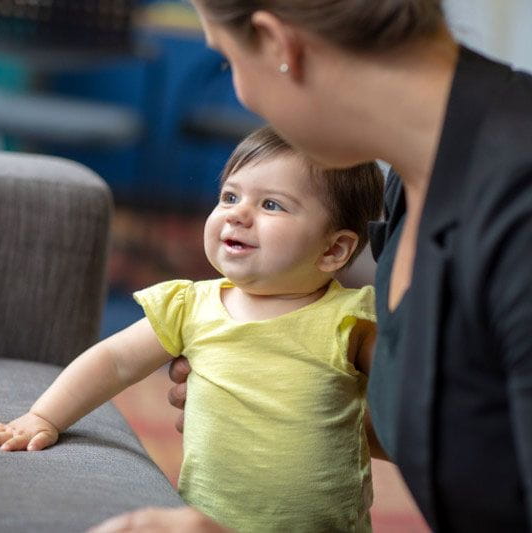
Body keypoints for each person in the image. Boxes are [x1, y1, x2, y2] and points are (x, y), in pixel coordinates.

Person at [90, 0, 532, 531]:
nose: (238, 91)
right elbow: (482, 425)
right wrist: (297, 408)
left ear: (279, 45)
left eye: (227, 62)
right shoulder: (418, 180)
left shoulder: (515, 209)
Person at [0, 125, 384, 532]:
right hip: (207, 520)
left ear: (334, 249)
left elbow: (410, 406)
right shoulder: (190, 306)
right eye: (230, 196)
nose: (237, 213)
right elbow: (113, 361)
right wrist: (44, 416)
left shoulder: (350, 320)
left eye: (271, 205)